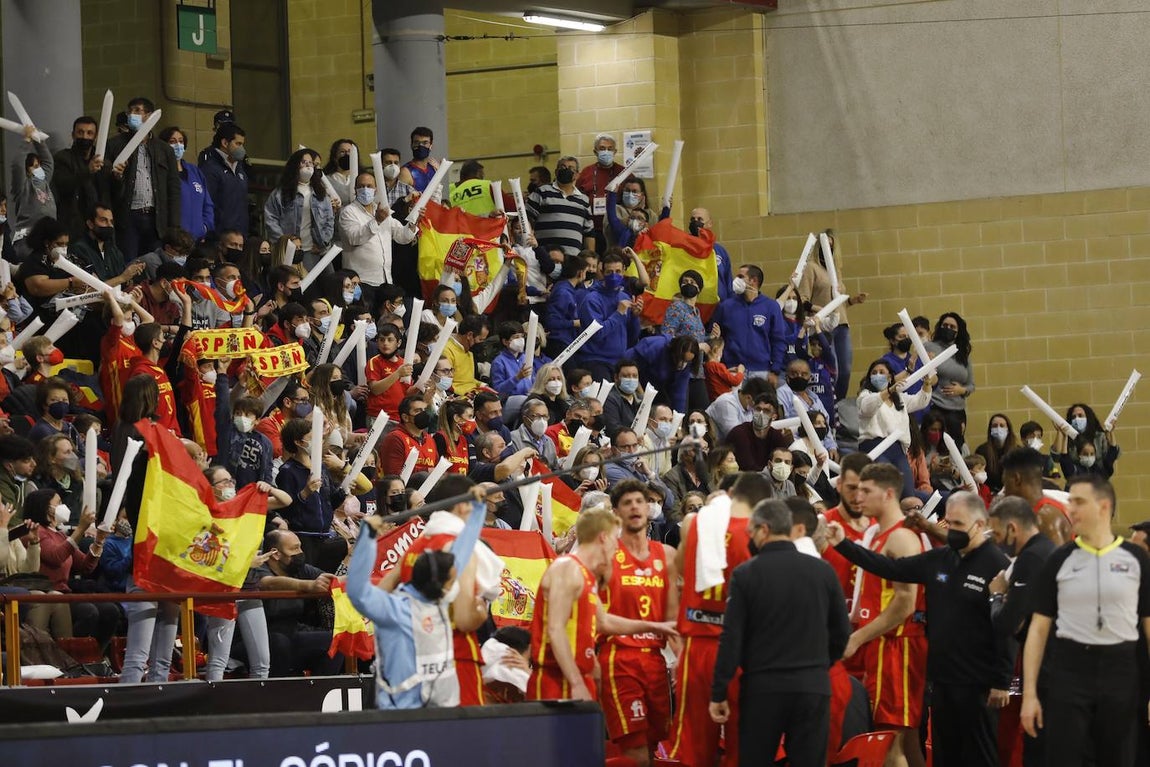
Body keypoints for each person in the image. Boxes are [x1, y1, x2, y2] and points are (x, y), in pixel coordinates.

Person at [827, 491, 1013, 767]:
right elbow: (888, 567)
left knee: (980, 756)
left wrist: (1001, 680)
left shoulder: (996, 564)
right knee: (945, 753)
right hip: (941, 679)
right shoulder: (940, 559)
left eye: (960, 524)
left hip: (979, 683)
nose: (953, 529)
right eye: (950, 522)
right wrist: (842, 544)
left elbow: (1007, 626)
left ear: (980, 525)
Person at [708, 498, 850, 767]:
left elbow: (731, 638)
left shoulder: (745, 574)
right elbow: (841, 632)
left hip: (764, 688)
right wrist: (820, 665)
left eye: (751, 533)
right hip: (813, 686)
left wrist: (718, 691)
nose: (750, 539)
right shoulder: (823, 570)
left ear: (763, 529)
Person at [1020, 475, 1150, 767]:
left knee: (1119, 758)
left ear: (1104, 507)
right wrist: (1030, 694)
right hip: (1069, 672)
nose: (1071, 509)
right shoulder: (1059, 559)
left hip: (1121, 671)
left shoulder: (1136, 559)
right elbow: (1038, 630)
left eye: (1079, 502)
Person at [668, 472, 773, 767]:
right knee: (746, 748)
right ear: (762, 503)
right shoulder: (758, 533)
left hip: (699, 644)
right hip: (742, 650)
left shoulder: (693, 523)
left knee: (695, 748)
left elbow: (678, 569)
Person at [527, 505, 677, 701]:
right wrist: (576, 682)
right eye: (616, 539)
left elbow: (603, 622)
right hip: (558, 678)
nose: (617, 547)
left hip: (579, 674)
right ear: (604, 538)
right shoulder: (567, 568)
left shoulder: (585, 574)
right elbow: (556, 628)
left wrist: (656, 626)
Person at [844, 463, 928, 767]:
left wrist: (857, 638)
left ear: (889, 493)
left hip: (899, 644)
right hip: (882, 643)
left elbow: (905, 603)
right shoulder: (876, 534)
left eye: (867, 491)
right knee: (906, 738)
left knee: (890, 739)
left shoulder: (902, 538)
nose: (859, 497)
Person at [599, 480, 680, 767]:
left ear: (649, 508)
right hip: (619, 657)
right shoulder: (605, 554)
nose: (634, 506)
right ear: (616, 512)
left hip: (655, 661)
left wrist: (681, 658)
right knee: (634, 748)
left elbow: (672, 618)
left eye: (639, 501)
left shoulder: (666, 555)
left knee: (653, 742)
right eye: (627, 503)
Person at [985, 496, 1057, 767]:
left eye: (999, 533)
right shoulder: (1047, 550)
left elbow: (1006, 623)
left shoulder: (1031, 558)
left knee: (1036, 752)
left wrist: (996, 596)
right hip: (1051, 668)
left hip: (1046, 671)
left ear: (1013, 529)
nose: (997, 541)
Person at [254, 529, 343, 677]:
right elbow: (268, 583)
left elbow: (331, 580)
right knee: (279, 643)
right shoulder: (258, 567)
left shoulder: (298, 568)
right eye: (294, 549)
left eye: (300, 547)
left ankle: (320, 692)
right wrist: (308, 586)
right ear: (275, 553)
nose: (300, 552)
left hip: (293, 631)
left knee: (336, 640)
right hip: (261, 635)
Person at [104, 97, 182, 260]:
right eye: (130, 111)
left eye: (137, 111)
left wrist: (174, 226)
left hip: (156, 219)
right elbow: (105, 183)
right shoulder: (114, 145)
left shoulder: (164, 149)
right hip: (128, 217)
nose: (132, 114)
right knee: (129, 263)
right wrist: (116, 176)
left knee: (153, 264)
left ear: (149, 116)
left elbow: (173, 187)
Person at [795, 230, 866, 400]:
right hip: (823, 326)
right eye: (827, 245)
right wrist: (818, 308)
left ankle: (838, 403)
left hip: (841, 324)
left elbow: (837, 303)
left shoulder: (836, 271)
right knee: (832, 367)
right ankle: (827, 402)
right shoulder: (812, 268)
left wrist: (853, 301)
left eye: (832, 245)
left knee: (846, 370)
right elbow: (802, 299)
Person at [857, 359, 935, 499]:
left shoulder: (899, 398)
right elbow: (867, 407)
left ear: (889, 377)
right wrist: (889, 390)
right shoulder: (865, 395)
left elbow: (921, 401)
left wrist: (927, 383)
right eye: (874, 373)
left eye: (882, 372)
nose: (877, 375)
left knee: (907, 492)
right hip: (875, 448)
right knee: (888, 489)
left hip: (898, 450)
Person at [339, 172, 418, 310]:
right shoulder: (348, 212)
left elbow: (402, 237)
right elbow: (354, 238)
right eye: (361, 186)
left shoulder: (382, 211)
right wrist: (377, 221)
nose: (365, 189)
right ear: (355, 190)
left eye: (369, 186)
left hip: (385, 280)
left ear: (375, 189)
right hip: (362, 281)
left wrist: (413, 221)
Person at [710, 264, 786, 384]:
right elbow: (714, 336)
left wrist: (775, 370)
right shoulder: (726, 306)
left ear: (753, 281)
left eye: (741, 276)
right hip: (732, 370)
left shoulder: (771, 306)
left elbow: (778, 341)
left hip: (762, 371)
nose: (736, 280)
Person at [263, 149, 335, 270]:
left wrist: (323, 243)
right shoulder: (280, 193)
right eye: (303, 162)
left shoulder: (321, 193)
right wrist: (284, 243)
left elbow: (329, 220)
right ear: (294, 166)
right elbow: (271, 219)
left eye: (310, 162)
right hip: (290, 250)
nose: (307, 165)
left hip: (315, 249)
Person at [575, 251, 641, 381]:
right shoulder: (591, 299)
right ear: (602, 272)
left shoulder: (624, 297)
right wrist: (618, 313)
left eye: (618, 271)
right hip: (595, 360)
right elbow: (596, 334)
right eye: (610, 272)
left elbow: (632, 337)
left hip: (618, 361)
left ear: (624, 272)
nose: (614, 276)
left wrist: (635, 317)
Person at [1000, 446, 1072, 545]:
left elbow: (1058, 560)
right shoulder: (1037, 511)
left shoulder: (1045, 518)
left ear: (1017, 479)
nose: (1004, 491)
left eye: (1005, 482)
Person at [526, 155, 594, 256]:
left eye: (571, 168)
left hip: (572, 260)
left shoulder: (584, 200)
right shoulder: (541, 192)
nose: (566, 170)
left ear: (577, 175)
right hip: (544, 256)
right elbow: (526, 219)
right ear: (556, 171)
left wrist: (591, 258)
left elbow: (589, 233)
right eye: (563, 167)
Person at [925, 312, 974, 446]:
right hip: (935, 406)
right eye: (945, 325)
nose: (948, 328)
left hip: (957, 410)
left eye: (953, 327)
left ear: (958, 332)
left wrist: (961, 390)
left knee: (955, 447)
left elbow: (971, 385)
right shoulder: (929, 347)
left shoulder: (963, 353)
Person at [51, 116, 104, 239]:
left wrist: (118, 178)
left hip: (99, 226)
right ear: (73, 135)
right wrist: (87, 171)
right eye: (80, 132)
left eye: (89, 133)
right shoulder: (62, 157)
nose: (85, 137)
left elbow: (111, 193)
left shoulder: (103, 161)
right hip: (73, 224)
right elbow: (63, 184)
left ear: (95, 137)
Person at [159, 126, 214, 241]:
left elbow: (207, 204)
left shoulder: (195, 172)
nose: (177, 145)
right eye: (172, 142)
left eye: (180, 141)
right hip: (173, 239)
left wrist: (204, 227)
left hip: (196, 239)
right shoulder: (161, 172)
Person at [199, 123, 249, 237]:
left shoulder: (240, 169)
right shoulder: (210, 169)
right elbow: (208, 204)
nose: (242, 149)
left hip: (240, 235)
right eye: (238, 144)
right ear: (225, 143)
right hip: (219, 237)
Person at [705, 376, 773, 441]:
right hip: (714, 447)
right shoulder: (726, 403)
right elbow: (736, 436)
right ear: (748, 398)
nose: (759, 409)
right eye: (758, 406)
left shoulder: (750, 405)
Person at [974, 412, 1018, 494]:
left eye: (1002, 425)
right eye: (995, 426)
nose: (998, 428)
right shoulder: (982, 450)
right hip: (989, 493)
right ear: (990, 429)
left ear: (1008, 429)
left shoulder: (1017, 451)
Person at [399, 126, 438, 193]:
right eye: (417, 142)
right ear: (411, 145)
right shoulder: (405, 172)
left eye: (425, 143)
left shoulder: (434, 168)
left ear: (431, 146)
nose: (420, 146)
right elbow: (400, 201)